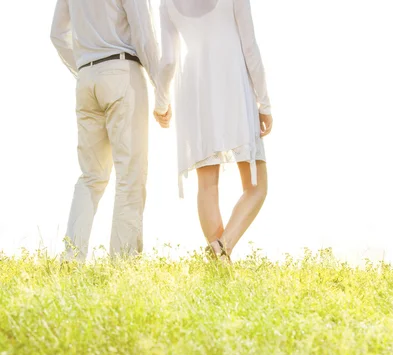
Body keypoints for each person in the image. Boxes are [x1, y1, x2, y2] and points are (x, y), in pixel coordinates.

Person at [154, 0, 273, 261]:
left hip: (195, 87)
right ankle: (223, 248)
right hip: (232, 82)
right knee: (256, 186)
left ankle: (219, 256)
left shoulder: (167, 3)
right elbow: (250, 47)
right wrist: (264, 102)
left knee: (207, 186)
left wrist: (161, 102)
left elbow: (168, 61)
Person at [51, 0, 160, 261]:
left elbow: (57, 34)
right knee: (130, 176)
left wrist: (84, 66)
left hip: (87, 79)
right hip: (123, 72)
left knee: (91, 176)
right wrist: (162, 91)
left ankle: (71, 258)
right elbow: (144, 35)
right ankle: (122, 264)